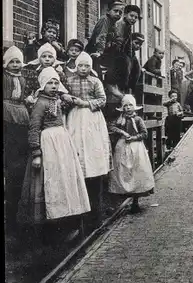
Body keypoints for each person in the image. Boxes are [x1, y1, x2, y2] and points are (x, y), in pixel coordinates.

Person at [17, 67, 90, 241]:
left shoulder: (56, 99)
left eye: (56, 82)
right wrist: (36, 152)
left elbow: (69, 102)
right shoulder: (40, 103)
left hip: (62, 145)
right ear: (42, 84)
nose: (54, 85)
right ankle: (49, 228)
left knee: (63, 180)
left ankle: (66, 220)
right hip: (48, 145)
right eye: (50, 82)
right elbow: (34, 128)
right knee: (50, 182)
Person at [65, 52, 112, 231]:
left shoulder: (95, 81)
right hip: (75, 117)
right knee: (76, 142)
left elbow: (102, 99)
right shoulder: (70, 80)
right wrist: (69, 100)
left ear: (90, 67)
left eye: (86, 66)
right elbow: (65, 96)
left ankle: (96, 212)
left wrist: (86, 104)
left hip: (91, 118)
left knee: (92, 146)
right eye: (80, 66)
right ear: (76, 66)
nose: (83, 69)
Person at [108, 94, 155, 213]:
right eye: (125, 106)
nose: (128, 108)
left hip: (136, 148)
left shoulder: (138, 119)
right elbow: (111, 126)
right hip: (122, 147)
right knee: (123, 171)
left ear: (134, 107)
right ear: (122, 108)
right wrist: (122, 132)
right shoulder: (120, 119)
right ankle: (122, 197)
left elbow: (144, 134)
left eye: (130, 105)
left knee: (136, 171)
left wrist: (134, 138)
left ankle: (135, 201)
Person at [3, 46, 30, 235]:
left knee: (18, 163)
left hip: (20, 115)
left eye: (18, 61)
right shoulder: (4, 77)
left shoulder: (22, 78)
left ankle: (14, 217)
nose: (15, 65)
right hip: (6, 114)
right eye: (11, 61)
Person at [85, 0, 125, 84]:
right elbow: (101, 37)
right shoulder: (105, 20)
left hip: (104, 54)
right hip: (94, 53)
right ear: (108, 11)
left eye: (120, 12)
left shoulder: (114, 25)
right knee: (96, 78)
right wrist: (99, 52)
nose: (118, 14)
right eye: (115, 11)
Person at [23, 43, 66, 109]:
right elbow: (28, 89)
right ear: (39, 58)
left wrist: (63, 98)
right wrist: (29, 97)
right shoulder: (34, 74)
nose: (47, 59)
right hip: (38, 104)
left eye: (50, 57)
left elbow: (64, 90)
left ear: (54, 59)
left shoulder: (59, 74)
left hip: (55, 103)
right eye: (44, 56)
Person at [114, 4, 141, 92]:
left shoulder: (129, 26)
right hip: (115, 50)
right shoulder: (121, 25)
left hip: (123, 51)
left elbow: (129, 44)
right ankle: (123, 88)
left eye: (136, 17)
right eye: (131, 16)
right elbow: (119, 41)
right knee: (126, 63)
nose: (133, 18)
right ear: (125, 15)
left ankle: (131, 89)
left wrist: (131, 55)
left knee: (137, 66)